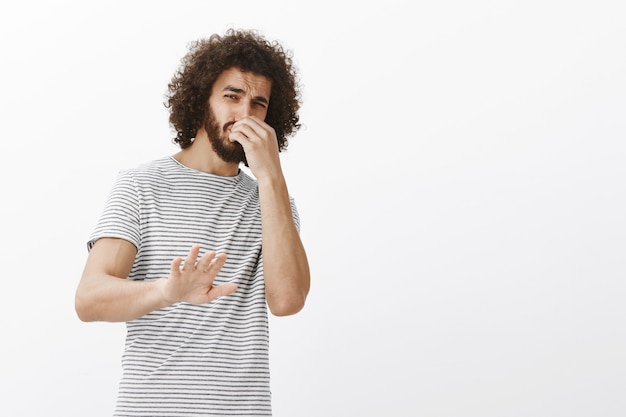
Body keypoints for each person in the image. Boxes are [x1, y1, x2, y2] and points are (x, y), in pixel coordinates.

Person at [75, 28, 310, 416]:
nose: (244, 116)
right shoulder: (141, 185)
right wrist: (167, 291)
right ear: (202, 99)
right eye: (232, 96)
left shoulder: (274, 203)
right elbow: (88, 299)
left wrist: (271, 179)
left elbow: (287, 301)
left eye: (258, 104)